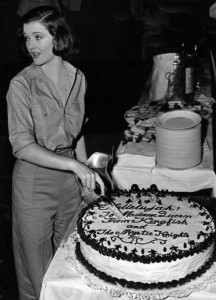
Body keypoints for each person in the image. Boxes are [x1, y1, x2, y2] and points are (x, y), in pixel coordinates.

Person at [6, 6, 104, 300]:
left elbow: (78, 132)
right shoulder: (21, 85)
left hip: (69, 183)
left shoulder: (78, 78)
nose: (31, 46)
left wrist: (89, 172)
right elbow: (22, 145)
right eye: (26, 39)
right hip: (34, 184)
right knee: (37, 269)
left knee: (69, 260)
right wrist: (76, 167)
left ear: (58, 37)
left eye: (38, 37)